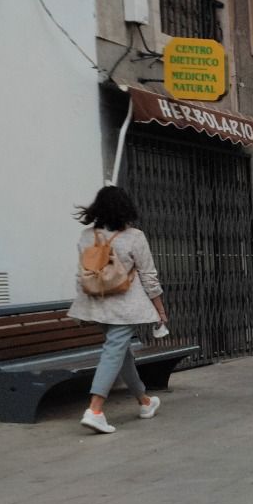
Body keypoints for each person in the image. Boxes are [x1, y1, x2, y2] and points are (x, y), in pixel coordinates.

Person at [69, 185, 168, 434]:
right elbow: (149, 276)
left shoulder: (86, 236)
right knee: (114, 352)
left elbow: (81, 276)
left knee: (121, 354)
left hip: (96, 306)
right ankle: (95, 410)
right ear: (126, 208)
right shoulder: (134, 236)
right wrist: (160, 309)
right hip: (125, 307)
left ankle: (144, 402)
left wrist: (81, 309)